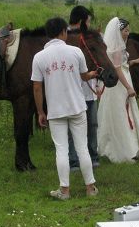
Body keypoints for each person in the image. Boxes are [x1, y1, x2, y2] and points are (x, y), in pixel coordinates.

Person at [31, 17, 99, 200]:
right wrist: (91, 74)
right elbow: (84, 76)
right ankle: (90, 188)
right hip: (77, 107)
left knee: (61, 150)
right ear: (63, 32)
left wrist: (40, 112)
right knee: (82, 147)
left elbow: (37, 87)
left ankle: (64, 190)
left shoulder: (39, 57)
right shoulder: (76, 52)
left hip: (55, 111)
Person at [96, 17, 139, 163]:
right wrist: (128, 87)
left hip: (121, 79)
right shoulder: (117, 48)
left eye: (128, 30)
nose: (128, 33)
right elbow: (117, 68)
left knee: (121, 113)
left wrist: (132, 62)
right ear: (118, 31)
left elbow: (121, 64)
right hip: (120, 83)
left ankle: (124, 145)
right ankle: (124, 149)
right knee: (122, 113)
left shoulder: (114, 46)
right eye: (126, 30)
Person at [67, 5, 100, 169]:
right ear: (81, 21)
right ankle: (73, 160)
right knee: (73, 127)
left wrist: (98, 83)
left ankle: (93, 156)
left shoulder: (90, 37)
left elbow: (100, 60)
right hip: (73, 91)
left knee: (92, 125)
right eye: (88, 21)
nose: (89, 24)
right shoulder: (65, 38)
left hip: (90, 90)